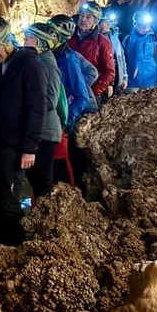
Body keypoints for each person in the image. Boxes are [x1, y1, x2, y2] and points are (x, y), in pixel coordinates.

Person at [0, 15, 45, 247]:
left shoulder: (28, 64)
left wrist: (30, 147)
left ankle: (14, 247)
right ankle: (2, 243)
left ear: (8, 40)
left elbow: (36, 108)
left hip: (15, 146)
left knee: (9, 198)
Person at [46, 14, 91, 186]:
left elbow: (82, 97)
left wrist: (64, 119)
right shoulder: (50, 56)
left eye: (52, 33)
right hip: (49, 121)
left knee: (60, 168)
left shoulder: (68, 59)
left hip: (61, 124)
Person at [22, 23, 63, 200]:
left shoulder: (47, 64)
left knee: (42, 180)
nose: (24, 40)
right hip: (39, 129)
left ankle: (50, 219)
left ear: (40, 41)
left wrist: (25, 104)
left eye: (28, 37)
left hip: (46, 131)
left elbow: (51, 99)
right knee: (36, 178)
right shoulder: (38, 61)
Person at [69, 1, 115, 103]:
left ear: (96, 21)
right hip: (67, 91)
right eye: (82, 15)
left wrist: (93, 91)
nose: (83, 19)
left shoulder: (103, 42)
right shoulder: (69, 37)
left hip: (88, 92)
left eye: (88, 17)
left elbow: (109, 72)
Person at [122, 11, 157, 93]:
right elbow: (121, 60)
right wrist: (122, 77)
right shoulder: (128, 40)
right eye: (139, 26)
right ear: (135, 25)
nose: (142, 29)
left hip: (152, 84)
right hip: (131, 84)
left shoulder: (156, 39)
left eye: (145, 26)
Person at [99, 11, 127, 97]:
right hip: (104, 81)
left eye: (109, 22)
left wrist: (124, 77)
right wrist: (107, 83)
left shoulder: (114, 38)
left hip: (117, 77)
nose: (108, 25)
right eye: (105, 23)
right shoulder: (97, 39)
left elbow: (121, 57)